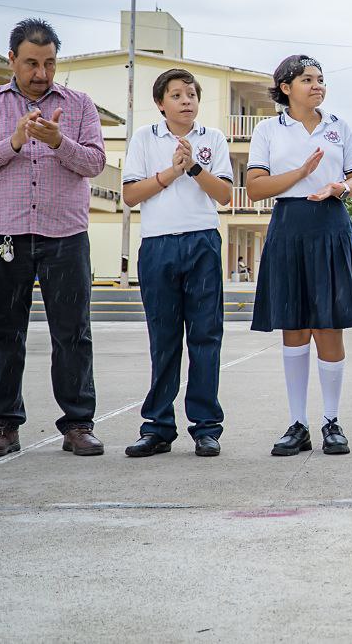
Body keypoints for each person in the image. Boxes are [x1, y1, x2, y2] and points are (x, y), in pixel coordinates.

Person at [0, 18, 107, 457]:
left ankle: (78, 425)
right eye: (32, 63)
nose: (41, 73)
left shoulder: (79, 105)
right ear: (12, 60)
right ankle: (2, 425)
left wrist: (60, 141)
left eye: (50, 63)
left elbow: (95, 163)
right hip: (5, 234)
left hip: (66, 235)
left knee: (73, 333)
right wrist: (14, 141)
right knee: (4, 331)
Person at [246, 55, 352, 457]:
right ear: (285, 87)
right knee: (294, 327)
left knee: (328, 326)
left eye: (321, 79)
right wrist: (301, 174)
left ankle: (331, 422)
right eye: (307, 79)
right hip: (289, 227)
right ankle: (297, 423)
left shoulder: (339, 127)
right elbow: (255, 187)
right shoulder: (268, 129)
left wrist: (342, 189)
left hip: (331, 225)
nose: (317, 85)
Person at [120, 69, 234, 458]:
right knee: (164, 338)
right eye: (177, 95)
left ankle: (206, 426)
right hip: (158, 245)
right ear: (160, 103)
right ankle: (157, 427)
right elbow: (131, 194)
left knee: (205, 337)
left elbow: (225, 196)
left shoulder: (212, 139)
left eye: (191, 94)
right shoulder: (144, 139)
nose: (186, 101)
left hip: (202, 241)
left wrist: (195, 168)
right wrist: (172, 170)